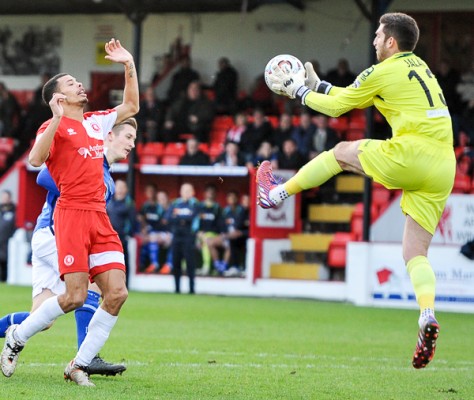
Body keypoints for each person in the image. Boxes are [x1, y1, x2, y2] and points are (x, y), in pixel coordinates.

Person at [259, 12, 454, 369]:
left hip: (413, 153)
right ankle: (427, 314)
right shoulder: (419, 68)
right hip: (443, 165)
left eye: (379, 35)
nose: (375, 40)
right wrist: (319, 86)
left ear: (391, 42)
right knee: (414, 252)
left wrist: (299, 92)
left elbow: (337, 109)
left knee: (339, 153)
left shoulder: (383, 70)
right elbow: (349, 96)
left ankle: (275, 194)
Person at [1, 38, 139, 386]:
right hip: (70, 216)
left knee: (117, 293)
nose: (80, 84)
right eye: (71, 83)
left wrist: (128, 64)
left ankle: (79, 363)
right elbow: (34, 161)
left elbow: (132, 106)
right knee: (76, 296)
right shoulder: (53, 127)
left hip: (98, 217)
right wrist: (56, 120)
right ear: (59, 98)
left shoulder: (98, 122)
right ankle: (17, 337)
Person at [164, 182, 200, 294]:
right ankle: (177, 289)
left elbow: (193, 218)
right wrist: (183, 218)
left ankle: (192, 289)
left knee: (190, 263)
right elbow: (168, 218)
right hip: (177, 236)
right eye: (184, 190)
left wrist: (179, 217)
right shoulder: (175, 203)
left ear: (193, 192)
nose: (186, 193)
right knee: (176, 263)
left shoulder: (195, 204)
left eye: (189, 191)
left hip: (189, 236)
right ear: (180, 192)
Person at [106, 178, 137, 286]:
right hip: (108, 237)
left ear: (126, 189)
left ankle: (125, 284)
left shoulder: (129, 203)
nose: (119, 189)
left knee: (123, 261)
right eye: (118, 186)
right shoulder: (109, 201)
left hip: (122, 237)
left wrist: (129, 234)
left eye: (122, 187)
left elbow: (133, 221)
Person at [196, 184, 222, 276]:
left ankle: (206, 267)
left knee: (206, 240)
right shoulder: (200, 206)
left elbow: (219, 224)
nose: (210, 194)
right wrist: (198, 233)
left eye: (212, 192)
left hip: (213, 234)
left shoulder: (217, 207)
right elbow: (196, 222)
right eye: (208, 191)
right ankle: (186, 267)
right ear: (205, 193)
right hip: (200, 234)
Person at [0, 190, 16, 282]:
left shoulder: (14, 211)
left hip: (7, 243)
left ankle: (5, 281)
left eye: (6, 197)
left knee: (5, 263)